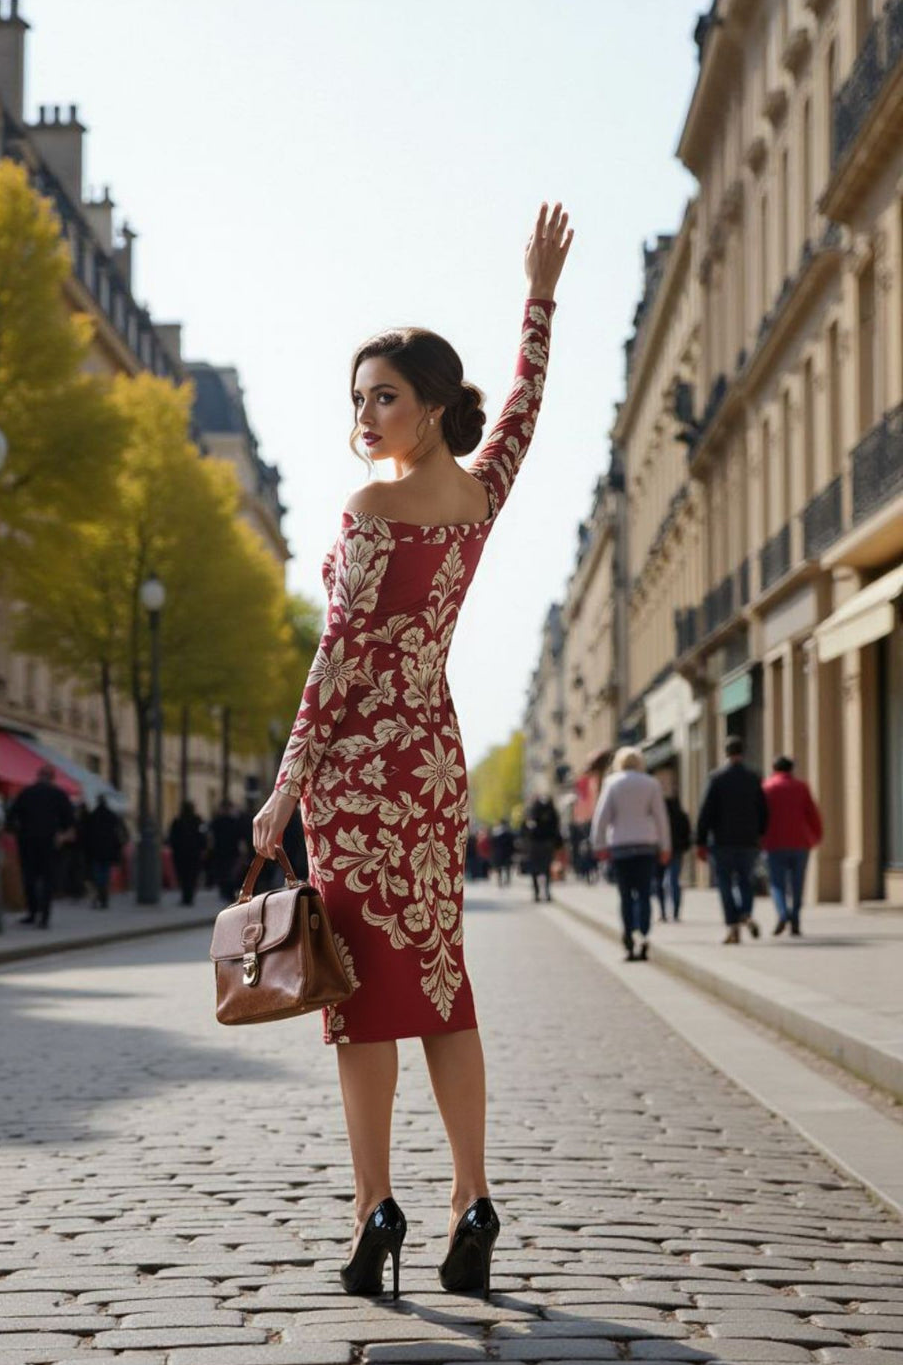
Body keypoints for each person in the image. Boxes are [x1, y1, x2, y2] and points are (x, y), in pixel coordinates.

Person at [250, 202, 573, 1302]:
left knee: (358, 996)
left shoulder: (368, 507)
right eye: (358, 398)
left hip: (353, 774)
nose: (367, 412)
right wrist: (538, 295)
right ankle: (470, 1200)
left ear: (432, 406)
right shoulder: (476, 495)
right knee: (439, 984)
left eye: (385, 395)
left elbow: (333, 661)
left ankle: (373, 1208)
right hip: (430, 765)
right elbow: (525, 408)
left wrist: (284, 790)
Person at [591, 747, 671, 962]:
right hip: (646, 845)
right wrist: (665, 846)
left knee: (626, 895)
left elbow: (602, 816)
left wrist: (598, 844)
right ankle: (643, 934)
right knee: (644, 893)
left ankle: (628, 935)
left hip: (621, 847)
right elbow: (660, 817)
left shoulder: (612, 783)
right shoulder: (650, 783)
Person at [695, 734, 768, 944]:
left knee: (725, 884)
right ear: (742, 752)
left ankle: (733, 925)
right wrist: (761, 834)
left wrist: (700, 841)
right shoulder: (754, 777)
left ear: (725, 753)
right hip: (748, 840)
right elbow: (763, 809)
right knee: (746, 880)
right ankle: (745, 912)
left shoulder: (717, 778)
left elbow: (705, 811)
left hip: (722, 841)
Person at [7, 765, 76, 928]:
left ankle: (32, 912)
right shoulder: (59, 794)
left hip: (27, 841)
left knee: (29, 878)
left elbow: (11, 817)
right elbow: (70, 822)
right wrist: (62, 836)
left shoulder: (26, 793)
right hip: (49, 842)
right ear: (52, 778)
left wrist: (18, 831)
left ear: (38, 776)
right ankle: (44, 917)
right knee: (47, 879)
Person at [762, 755, 823, 937]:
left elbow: (761, 815)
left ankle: (783, 913)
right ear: (791, 770)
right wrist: (816, 836)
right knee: (797, 884)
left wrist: (759, 838)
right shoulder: (801, 787)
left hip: (773, 843)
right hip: (799, 842)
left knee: (777, 883)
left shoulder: (767, 787)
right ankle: (795, 918)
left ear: (774, 768)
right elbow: (812, 813)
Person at [656, 785, 692, 922]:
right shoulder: (681, 814)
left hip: (659, 851)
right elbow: (687, 833)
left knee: (659, 882)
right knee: (674, 880)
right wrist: (684, 846)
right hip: (677, 850)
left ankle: (663, 912)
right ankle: (676, 912)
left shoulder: (658, 816)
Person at [82, 795, 125, 909]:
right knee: (105, 874)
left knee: (97, 874)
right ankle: (104, 896)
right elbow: (118, 835)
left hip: (95, 851)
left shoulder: (93, 816)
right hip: (108, 851)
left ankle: (100, 895)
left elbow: (87, 836)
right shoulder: (112, 816)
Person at [524, 795, 562, 903]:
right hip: (547, 843)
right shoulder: (551, 811)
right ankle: (547, 892)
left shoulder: (533, 811)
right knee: (546, 868)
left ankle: (537, 893)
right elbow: (556, 828)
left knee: (535, 870)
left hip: (535, 844)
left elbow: (527, 829)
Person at [168, 801, 206, 906]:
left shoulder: (178, 821)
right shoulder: (197, 821)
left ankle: (186, 896)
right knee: (192, 875)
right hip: (194, 853)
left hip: (180, 853)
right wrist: (203, 848)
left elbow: (172, 838)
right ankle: (189, 896)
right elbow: (202, 836)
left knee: (183, 875)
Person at [490, 820, 515, 886]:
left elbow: (493, 844)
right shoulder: (509, 834)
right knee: (506, 867)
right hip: (504, 853)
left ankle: (501, 880)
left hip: (500, 853)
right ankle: (504, 880)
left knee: (502, 868)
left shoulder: (496, 833)